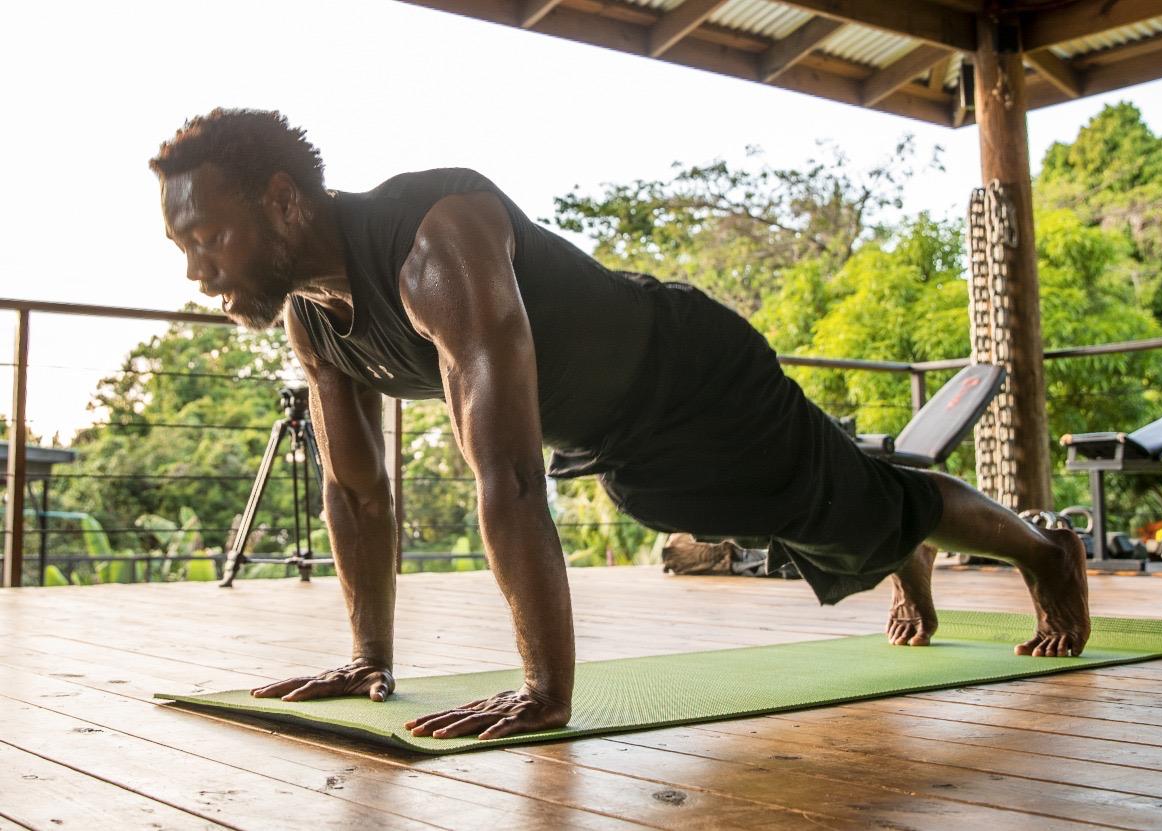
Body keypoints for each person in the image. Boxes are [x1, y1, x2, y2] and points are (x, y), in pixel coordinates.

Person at [151, 109, 1090, 742]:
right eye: (182, 245)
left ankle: (1041, 550)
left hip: (692, 374)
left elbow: (508, 477)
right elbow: (356, 494)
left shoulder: (434, 238)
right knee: (754, 509)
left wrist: (546, 692)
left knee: (848, 503)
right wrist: (367, 660)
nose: (197, 270)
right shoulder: (315, 318)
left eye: (207, 237)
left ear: (280, 200)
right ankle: (892, 536)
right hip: (619, 440)